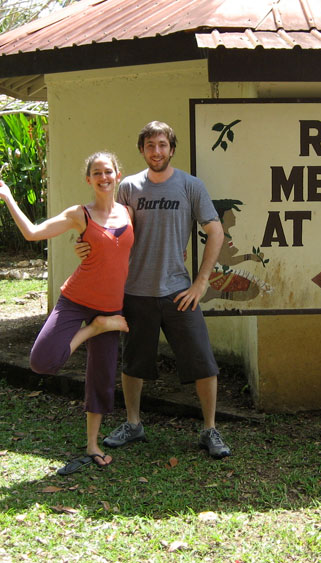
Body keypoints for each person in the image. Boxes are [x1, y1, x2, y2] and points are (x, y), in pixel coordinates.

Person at [76, 121, 231, 458]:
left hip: (178, 291)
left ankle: (210, 429)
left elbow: (215, 231)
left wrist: (201, 282)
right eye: (150, 146)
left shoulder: (190, 185)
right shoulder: (129, 187)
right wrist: (84, 245)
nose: (156, 151)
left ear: (171, 149)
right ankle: (133, 424)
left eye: (162, 145)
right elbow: (110, 227)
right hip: (135, 292)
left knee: (203, 363)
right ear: (142, 150)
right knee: (134, 363)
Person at [0, 151, 133, 473]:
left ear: (118, 175)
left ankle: (92, 444)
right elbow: (32, 233)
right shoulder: (80, 215)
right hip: (76, 299)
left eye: (109, 171)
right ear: (88, 179)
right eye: (97, 173)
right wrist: (8, 197)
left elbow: (129, 251)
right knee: (42, 360)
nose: (104, 177)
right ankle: (96, 328)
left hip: (111, 305)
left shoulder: (129, 213)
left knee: (101, 379)